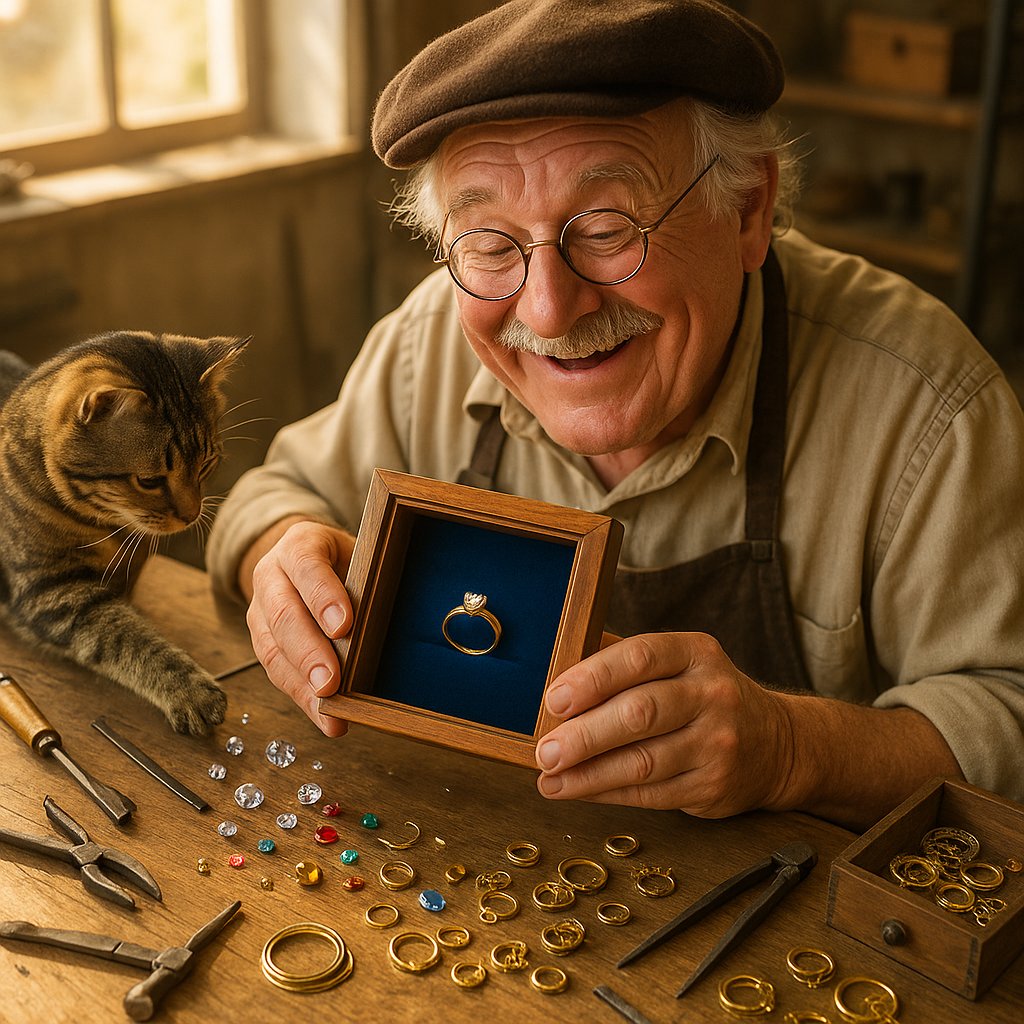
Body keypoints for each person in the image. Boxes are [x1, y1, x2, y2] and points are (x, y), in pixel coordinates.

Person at [208, 0, 1024, 830]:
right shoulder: (432, 337)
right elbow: (274, 493)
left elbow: (1009, 714)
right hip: (490, 856)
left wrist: (791, 748)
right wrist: (287, 564)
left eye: (606, 228)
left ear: (748, 210)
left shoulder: (925, 403)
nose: (551, 310)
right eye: (490, 242)